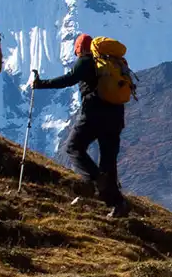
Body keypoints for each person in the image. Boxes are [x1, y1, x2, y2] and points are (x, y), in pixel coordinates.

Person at [32, 34, 130, 218]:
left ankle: (95, 180)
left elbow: (69, 79)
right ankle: (118, 204)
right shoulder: (112, 63)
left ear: (79, 49)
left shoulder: (85, 61)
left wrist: (40, 84)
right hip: (116, 117)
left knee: (73, 147)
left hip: (93, 115)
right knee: (108, 161)